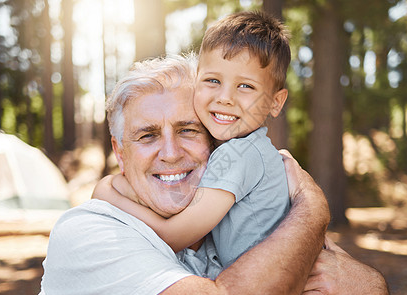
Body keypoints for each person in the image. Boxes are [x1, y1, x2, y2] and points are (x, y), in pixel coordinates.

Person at [39, 54, 389, 295]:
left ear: (214, 139)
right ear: (119, 151)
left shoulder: (229, 212)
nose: (171, 152)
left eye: (188, 130)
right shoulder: (87, 231)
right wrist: (313, 208)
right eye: (147, 135)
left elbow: (369, 289)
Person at [95, 11, 292, 268]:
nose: (225, 98)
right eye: (213, 80)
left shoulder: (241, 155)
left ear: (276, 102)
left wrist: (108, 194)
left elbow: (171, 236)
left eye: (245, 86)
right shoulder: (242, 149)